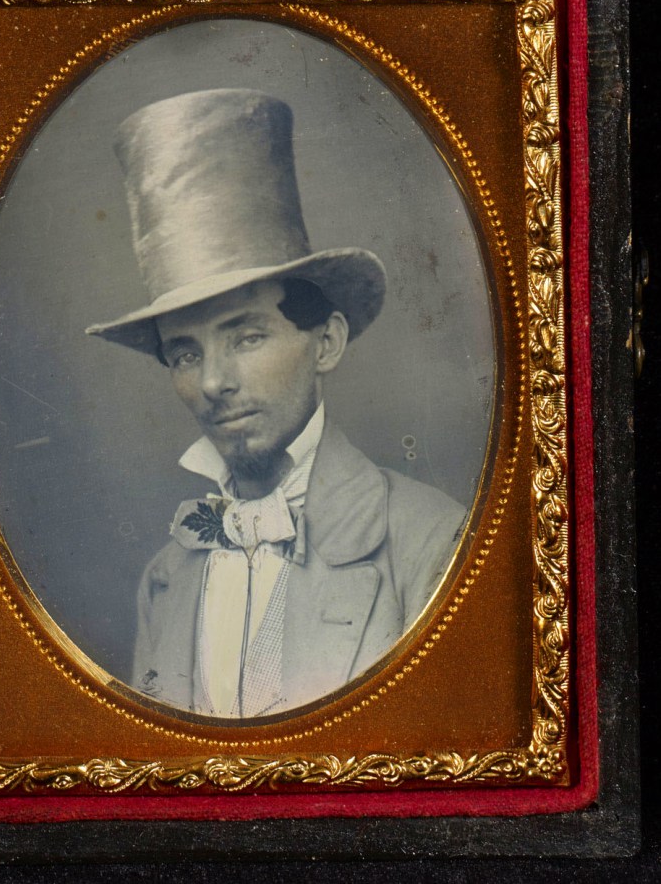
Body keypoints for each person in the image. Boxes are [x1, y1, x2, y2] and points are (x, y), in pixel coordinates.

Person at [86, 88, 466, 718]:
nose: (213, 382)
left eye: (248, 336)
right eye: (185, 353)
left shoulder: (432, 545)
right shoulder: (165, 577)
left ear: (326, 342)